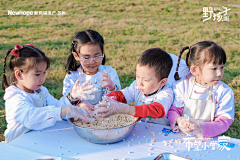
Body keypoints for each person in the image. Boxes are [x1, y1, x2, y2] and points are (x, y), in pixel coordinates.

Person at [2, 44, 94, 143]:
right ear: (19, 74)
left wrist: (72, 98)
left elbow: (55, 106)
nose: (42, 78)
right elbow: (30, 118)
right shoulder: (15, 96)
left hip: (38, 139)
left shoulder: (40, 90)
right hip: (18, 144)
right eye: (37, 74)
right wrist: (66, 110)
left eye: (44, 73)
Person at [167, 41, 234, 138]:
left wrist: (202, 128)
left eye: (222, 67)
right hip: (180, 137)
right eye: (214, 68)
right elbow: (173, 110)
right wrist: (179, 120)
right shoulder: (182, 86)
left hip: (208, 139)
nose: (220, 73)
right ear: (195, 70)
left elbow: (224, 122)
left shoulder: (224, 92)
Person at [95, 48, 177, 125]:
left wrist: (125, 109)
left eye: (145, 80)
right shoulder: (136, 86)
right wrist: (109, 99)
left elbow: (157, 110)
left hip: (161, 133)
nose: (139, 83)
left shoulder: (166, 92)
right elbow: (122, 95)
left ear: (162, 82)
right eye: (137, 76)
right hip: (141, 129)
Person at [63, 30, 121, 108]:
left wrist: (111, 87)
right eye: (86, 58)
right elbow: (66, 101)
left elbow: (119, 99)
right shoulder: (72, 77)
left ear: (102, 53)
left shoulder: (109, 73)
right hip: (82, 116)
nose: (92, 61)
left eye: (97, 56)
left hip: (106, 115)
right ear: (76, 56)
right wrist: (79, 103)